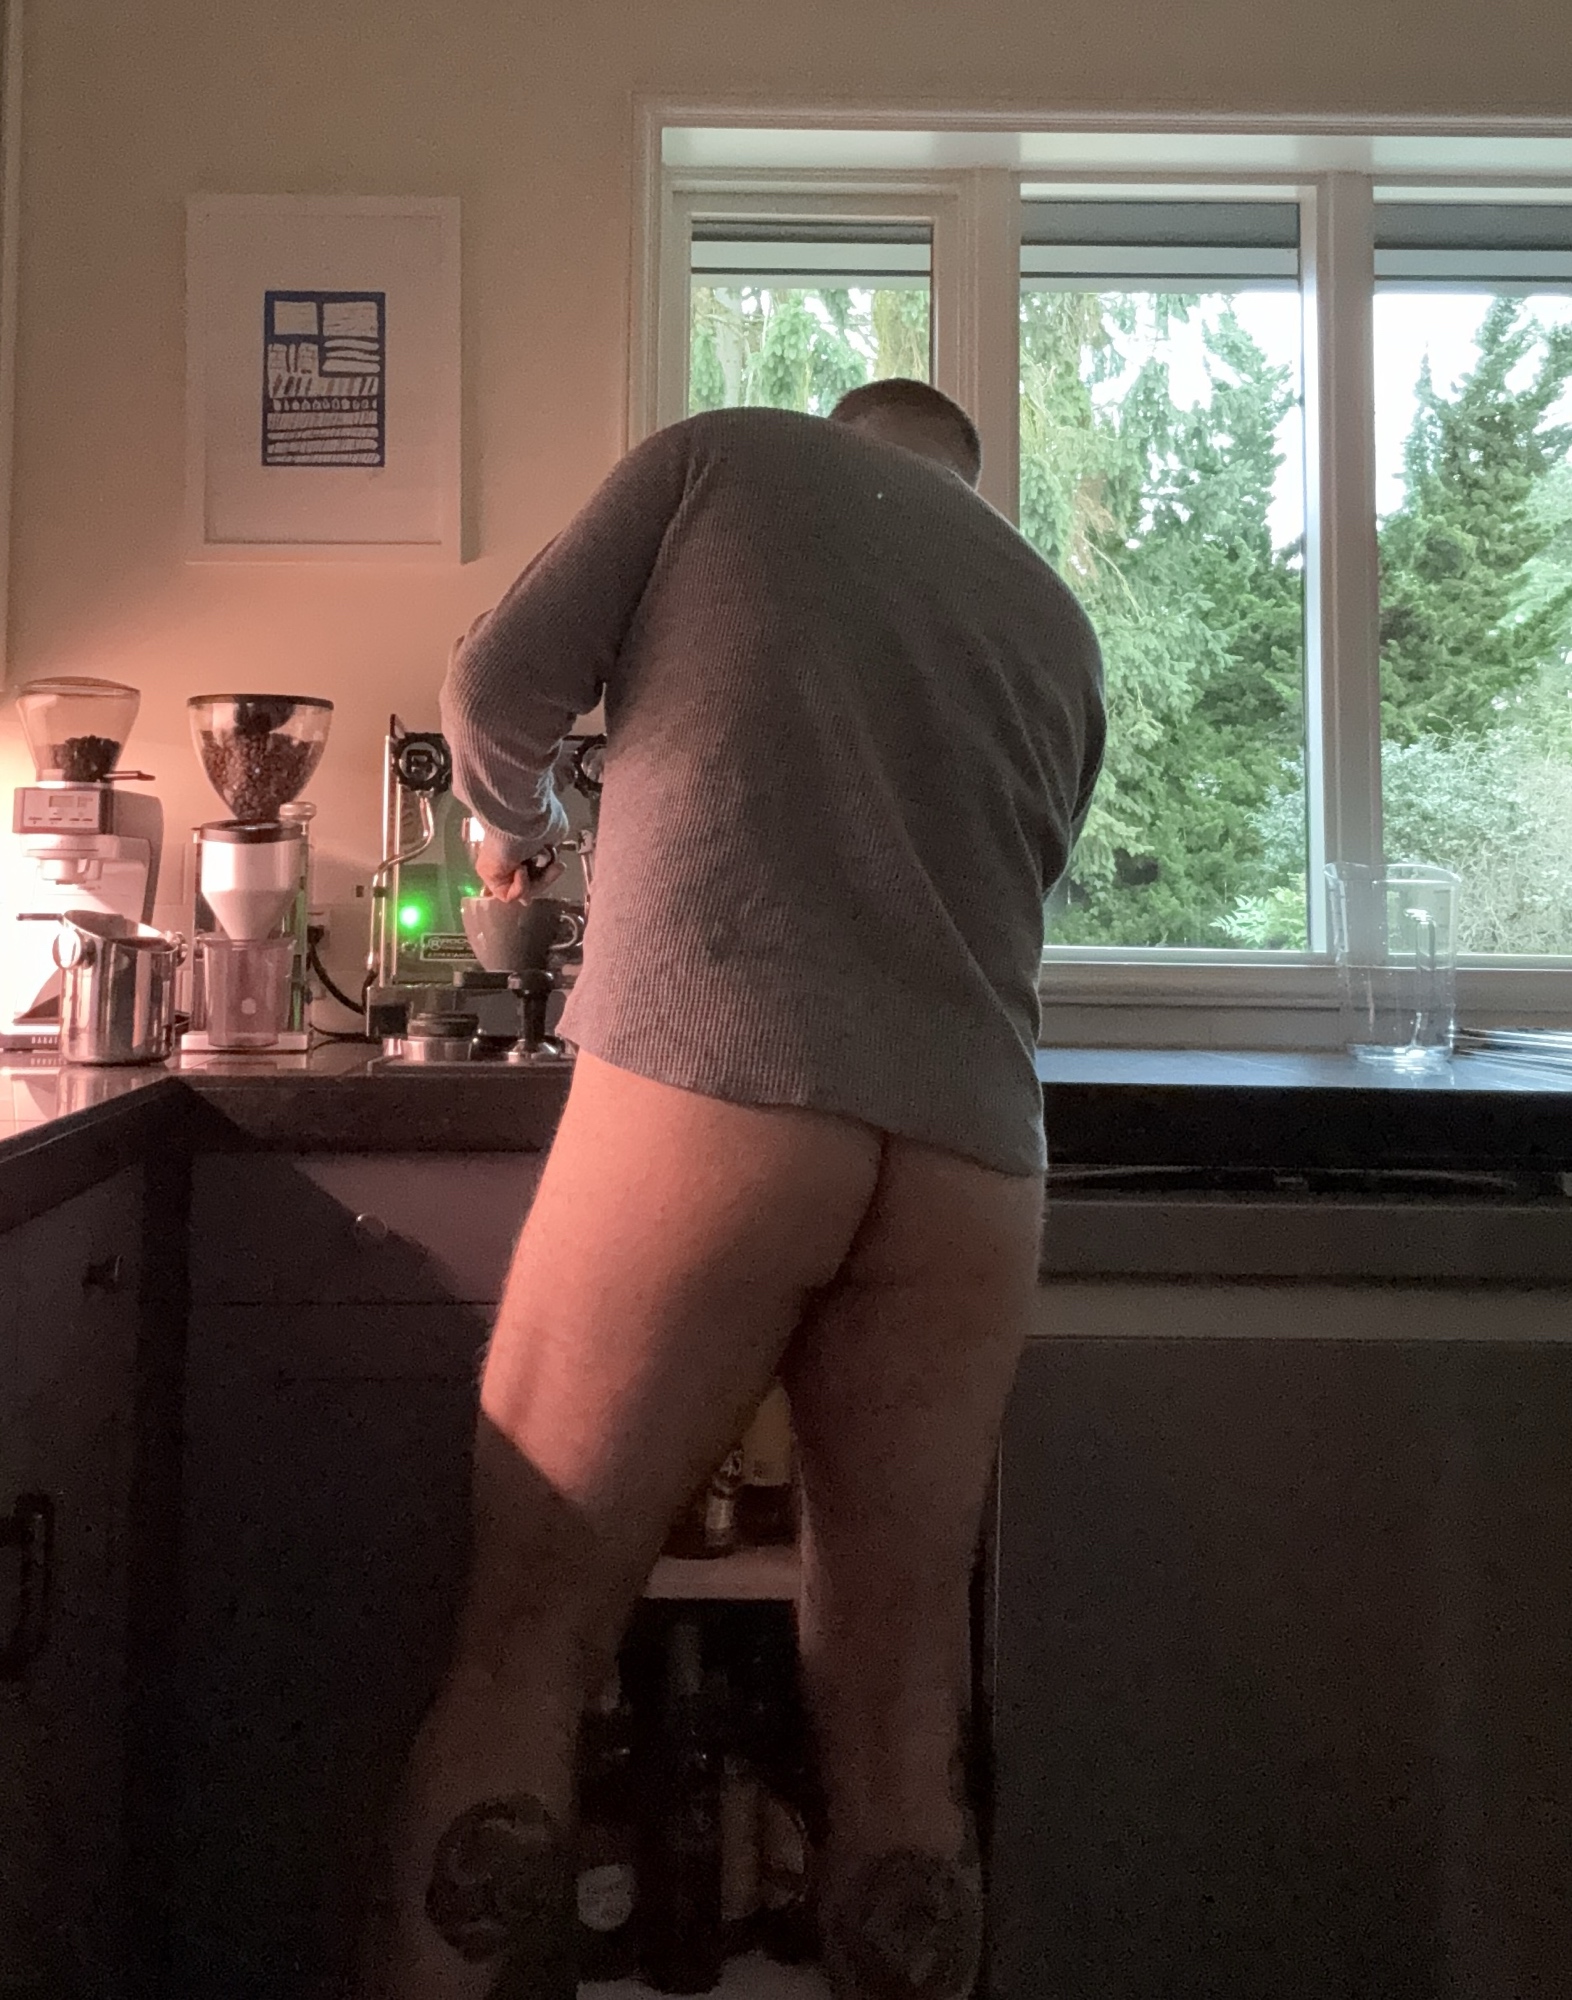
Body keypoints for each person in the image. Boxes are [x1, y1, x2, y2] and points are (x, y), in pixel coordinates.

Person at [363, 380, 1104, 2000]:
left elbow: (494, 691)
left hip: (723, 1083)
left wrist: (519, 821)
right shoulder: (1055, 621)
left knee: (530, 1642)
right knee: (904, 1707)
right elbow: (1019, 869)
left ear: (846, 430)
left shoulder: (732, 456)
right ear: (968, 482)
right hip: (976, 1153)